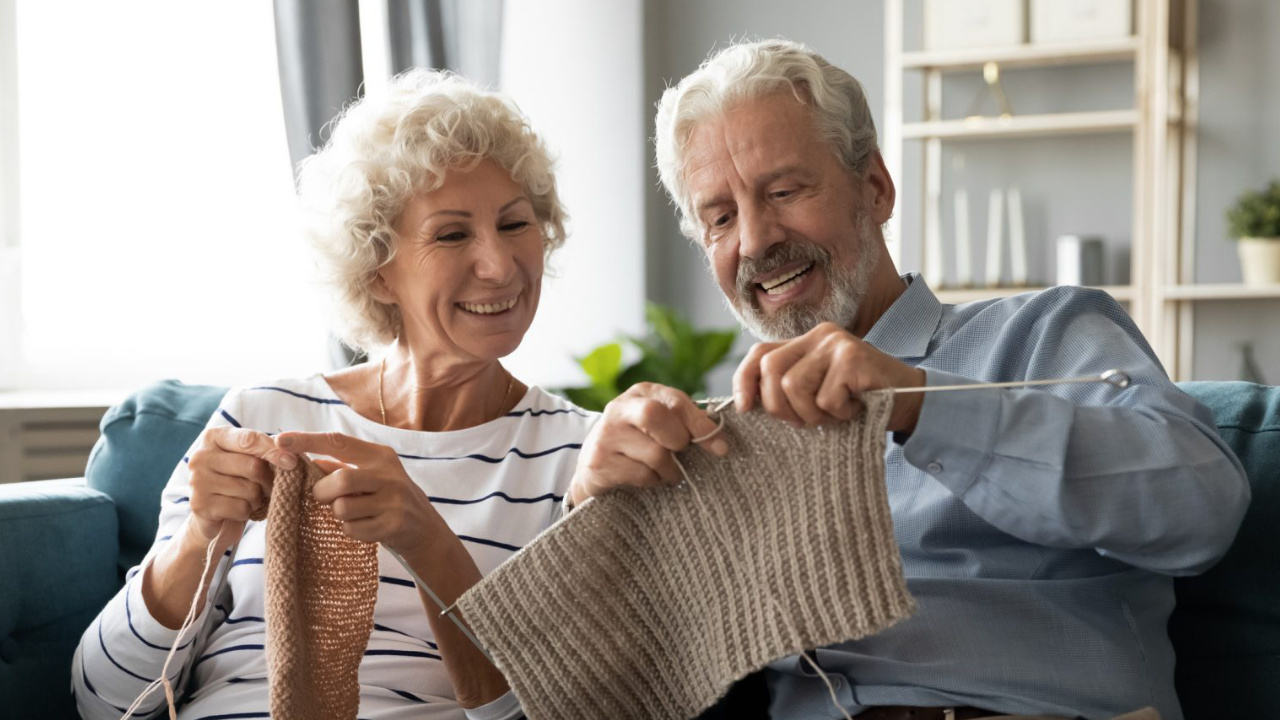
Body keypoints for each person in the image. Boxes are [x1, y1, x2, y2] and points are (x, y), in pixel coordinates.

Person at [566, 39, 1251, 720]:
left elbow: (1201, 509)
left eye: (784, 191)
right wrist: (592, 519)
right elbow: (618, 688)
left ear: (876, 187)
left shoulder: (1044, 333)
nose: (753, 240)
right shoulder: (710, 443)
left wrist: (921, 404)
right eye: (720, 217)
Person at [73, 69, 594, 720]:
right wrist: (201, 537)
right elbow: (104, 700)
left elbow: (538, 712)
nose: (499, 264)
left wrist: (424, 537)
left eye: (515, 224)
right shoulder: (261, 415)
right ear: (377, 271)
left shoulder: (579, 456)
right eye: (453, 234)